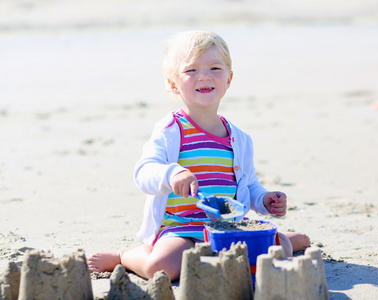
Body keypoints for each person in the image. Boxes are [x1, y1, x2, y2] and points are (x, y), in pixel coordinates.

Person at [88, 30, 310, 281]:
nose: (204, 75)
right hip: (183, 228)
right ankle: (125, 256)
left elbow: (248, 184)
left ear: (229, 79)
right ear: (173, 84)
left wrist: (264, 199)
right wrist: (172, 173)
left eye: (215, 68)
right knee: (161, 268)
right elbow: (144, 171)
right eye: (191, 70)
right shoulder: (171, 130)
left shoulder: (240, 138)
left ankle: (285, 239)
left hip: (229, 228)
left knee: (281, 249)